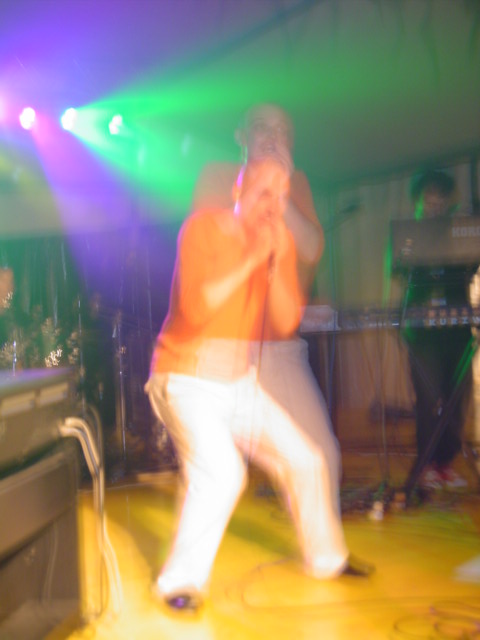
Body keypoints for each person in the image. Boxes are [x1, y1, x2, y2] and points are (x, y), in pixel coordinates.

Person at [145, 156, 373, 614]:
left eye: (282, 195)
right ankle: (178, 582)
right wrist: (250, 257)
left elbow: (286, 320)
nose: (273, 204)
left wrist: (275, 261)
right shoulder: (203, 229)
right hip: (184, 377)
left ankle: (327, 559)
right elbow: (198, 307)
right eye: (263, 192)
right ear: (237, 193)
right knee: (222, 472)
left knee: (307, 460)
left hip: (239, 382)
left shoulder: (276, 241)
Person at [401, 169, 476, 490]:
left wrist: (462, 232)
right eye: (429, 201)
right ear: (418, 203)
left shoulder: (457, 232)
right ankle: (427, 464)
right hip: (423, 332)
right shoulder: (408, 236)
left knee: (457, 398)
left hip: (456, 329)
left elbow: (472, 264)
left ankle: (445, 464)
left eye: (440, 201)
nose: (435, 206)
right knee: (430, 398)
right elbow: (399, 268)